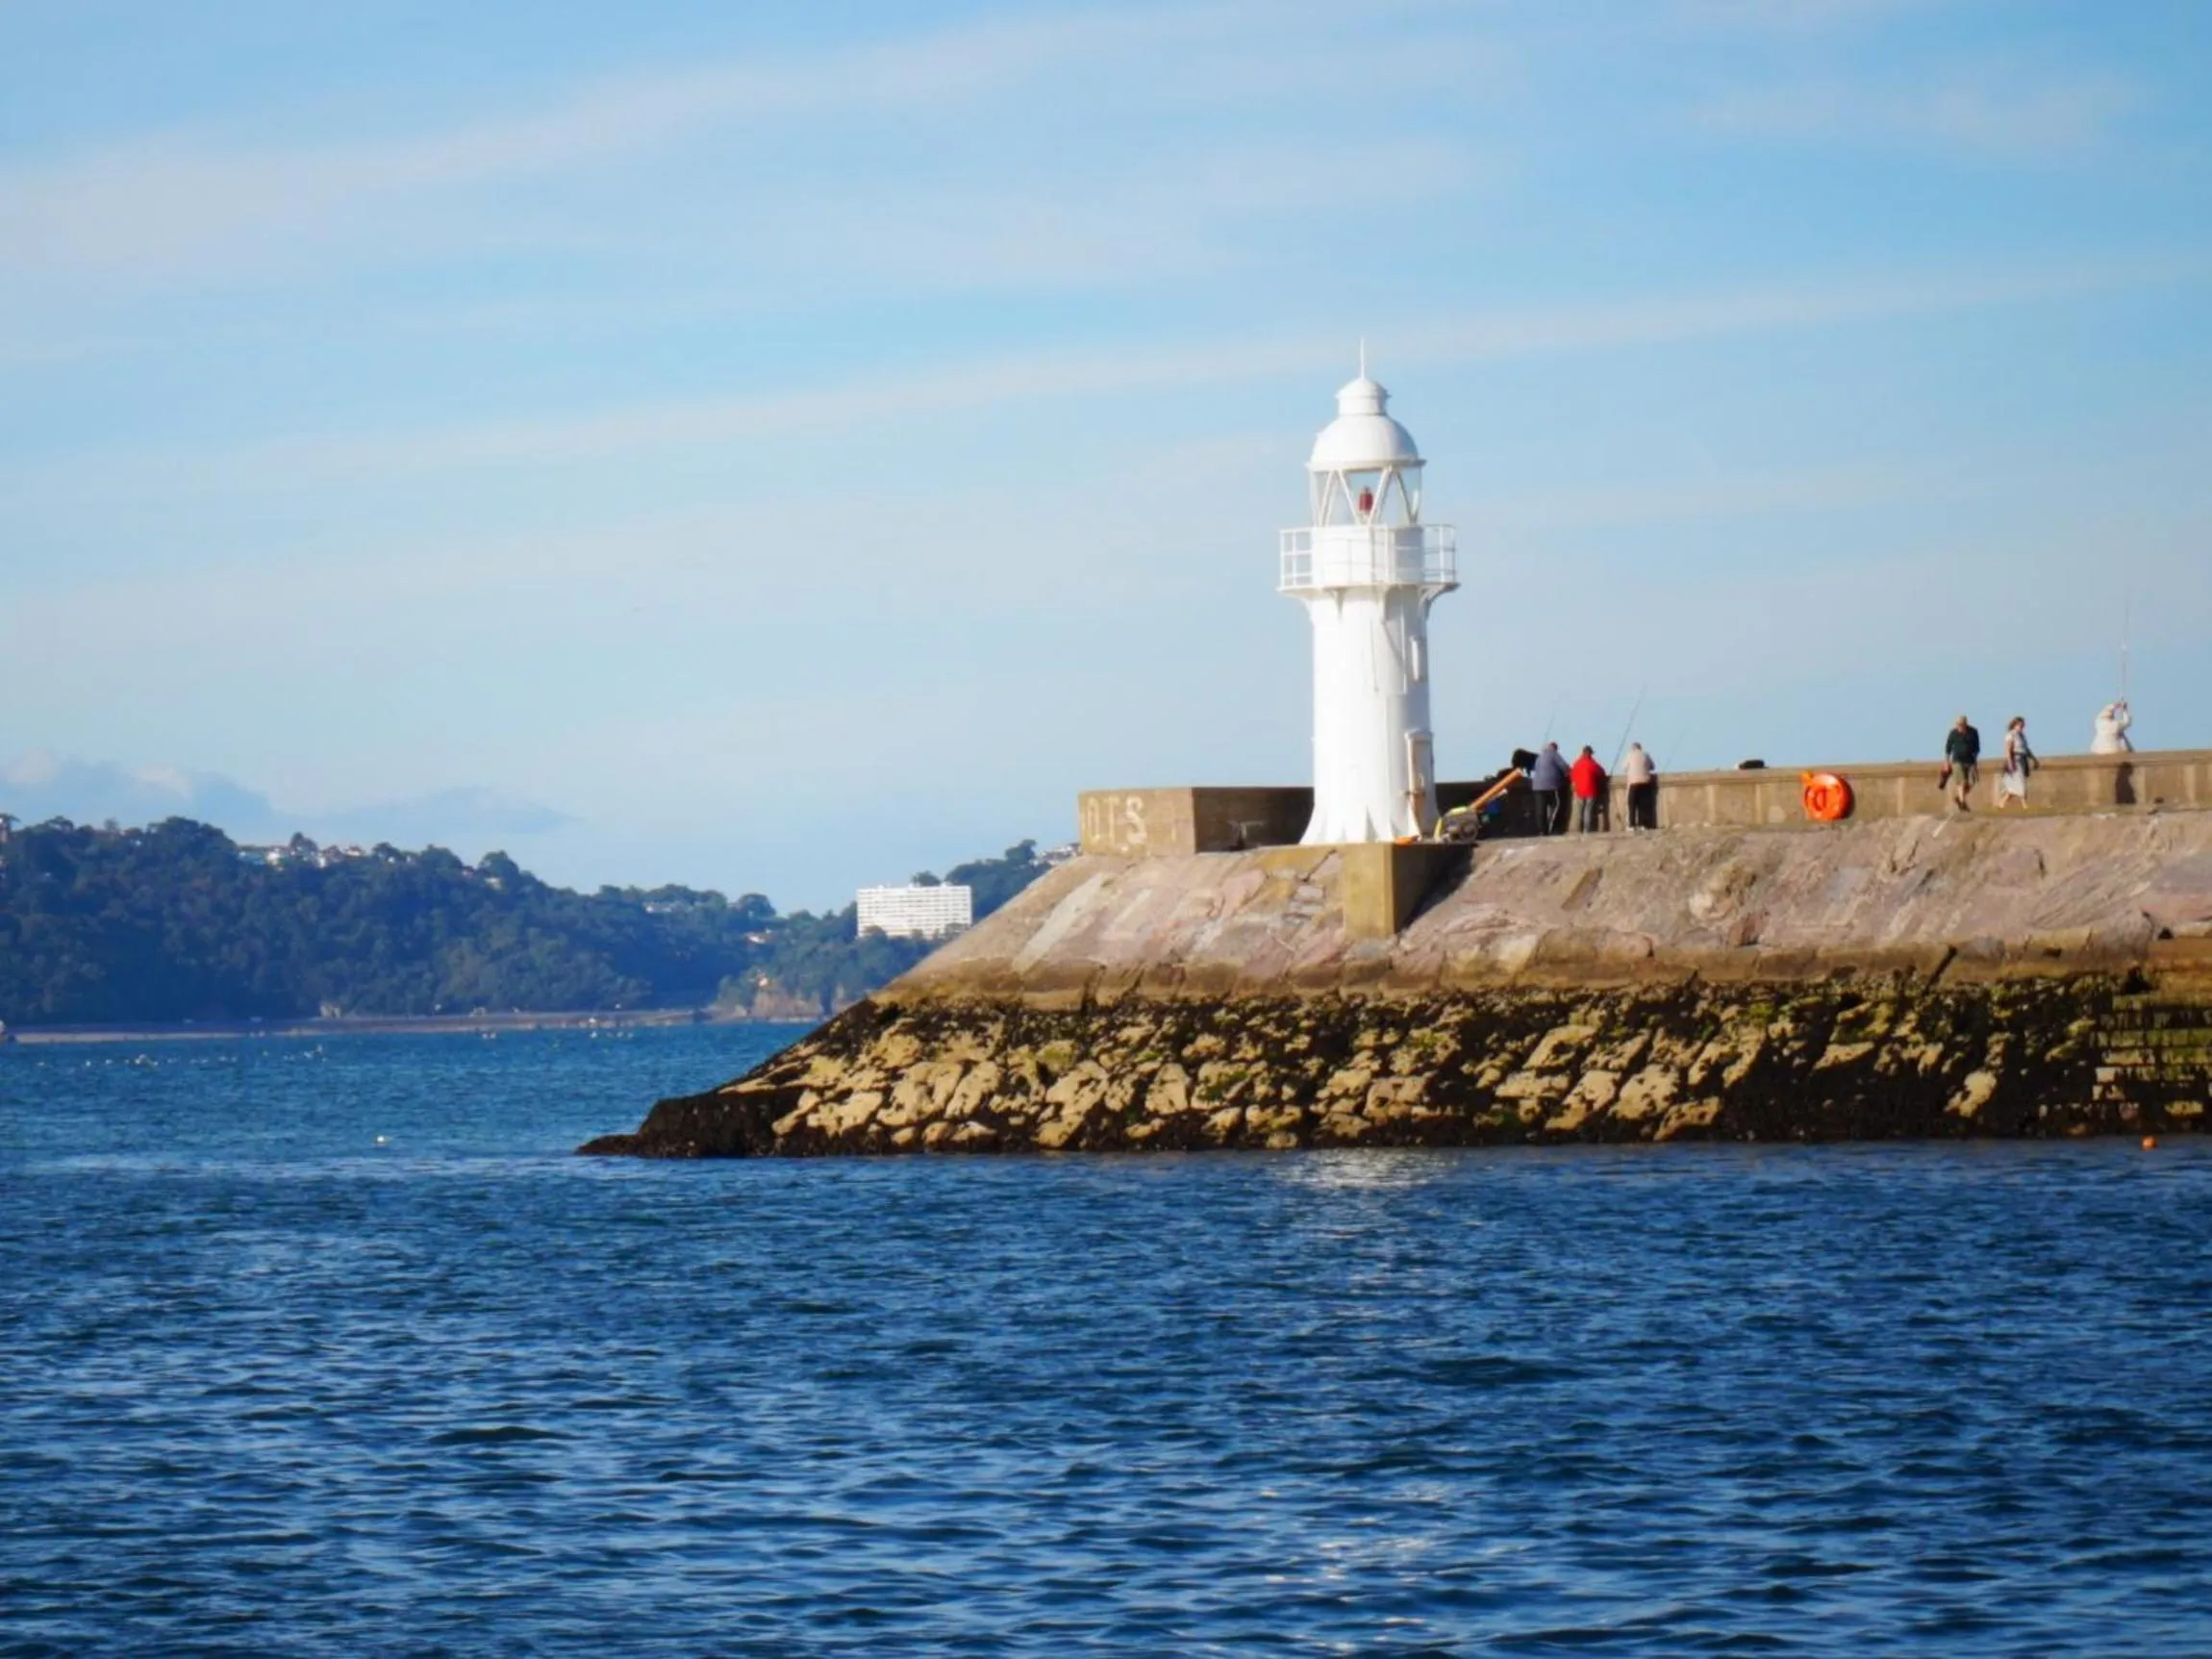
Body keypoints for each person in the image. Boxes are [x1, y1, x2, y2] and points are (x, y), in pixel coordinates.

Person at [1528, 742, 1571, 836]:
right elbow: (1565, 767)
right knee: (1557, 806)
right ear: (1554, 748)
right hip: (1552, 785)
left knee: (1541, 809)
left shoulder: (1539, 757)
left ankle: (1542, 831)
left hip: (1537, 787)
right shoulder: (1554, 754)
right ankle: (1554, 828)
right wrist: (1568, 775)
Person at [1995, 716, 2036, 809]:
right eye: (2020, 725)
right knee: (2021, 783)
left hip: (2022, 759)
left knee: (2014, 786)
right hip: (2015, 760)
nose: (2022, 727)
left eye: (2023, 725)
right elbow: (2008, 749)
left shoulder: (2022, 736)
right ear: (2015, 725)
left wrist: (2033, 759)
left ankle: (2001, 804)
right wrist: (2010, 763)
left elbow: (2026, 749)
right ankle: (2025, 805)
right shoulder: (2011, 735)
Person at [1942, 715, 1981, 811]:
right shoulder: (1953, 733)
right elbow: (1948, 749)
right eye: (1958, 725)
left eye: (1961, 725)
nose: (1960, 727)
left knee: (1971, 782)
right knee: (1962, 782)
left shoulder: (1973, 732)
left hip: (1970, 760)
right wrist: (1947, 763)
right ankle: (1963, 803)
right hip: (1957, 761)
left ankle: (1959, 798)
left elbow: (1977, 748)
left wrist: (1975, 762)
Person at [1571, 744, 1609, 834]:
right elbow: (1601, 772)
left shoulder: (1577, 763)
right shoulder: (1592, 763)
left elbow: (1572, 776)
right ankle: (1586, 830)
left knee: (1579, 810)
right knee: (1588, 810)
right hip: (1590, 790)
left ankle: (1577, 829)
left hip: (1579, 791)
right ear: (1590, 753)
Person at [1622, 742, 1659, 831]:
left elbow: (1624, 767)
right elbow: (1652, 767)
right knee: (1643, 805)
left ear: (1633, 748)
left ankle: (1631, 825)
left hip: (1633, 783)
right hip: (1645, 783)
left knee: (1632, 805)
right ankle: (1643, 824)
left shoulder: (1629, 755)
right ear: (1640, 748)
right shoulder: (1646, 755)